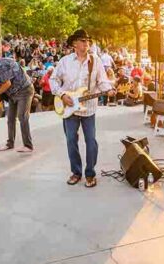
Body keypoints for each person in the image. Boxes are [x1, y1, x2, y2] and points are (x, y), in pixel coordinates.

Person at [48, 30, 114, 188]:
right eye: (83, 41)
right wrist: (63, 95)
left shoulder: (95, 61)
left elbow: (102, 81)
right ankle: (76, 172)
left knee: (91, 141)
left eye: (88, 41)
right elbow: (53, 80)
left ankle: (90, 173)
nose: (86, 44)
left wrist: (109, 89)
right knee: (71, 141)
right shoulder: (65, 61)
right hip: (68, 108)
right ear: (74, 44)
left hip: (88, 108)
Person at [0, 50, 34, 153]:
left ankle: (28, 145)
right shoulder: (0, 63)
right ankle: (10, 143)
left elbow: (7, 84)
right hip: (13, 93)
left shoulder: (0, 66)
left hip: (23, 91)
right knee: (10, 118)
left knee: (22, 117)